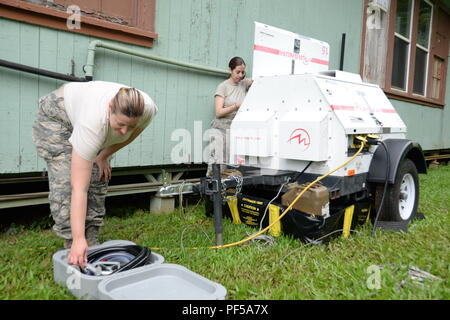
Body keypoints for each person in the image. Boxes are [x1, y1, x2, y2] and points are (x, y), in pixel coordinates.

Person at [32, 81, 158, 268]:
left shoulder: (147, 110)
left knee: (98, 175)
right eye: (121, 124)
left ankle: (90, 243)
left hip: (85, 115)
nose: (124, 131)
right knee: (68, 182)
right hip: (57, 115)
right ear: (109, 109)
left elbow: (131, 135)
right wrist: (77, 238)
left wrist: (103, 155)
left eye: (129, 126)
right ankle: (73, 246)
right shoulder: (92, 123)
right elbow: (79, 189)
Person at [209, 57, 253, 173]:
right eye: (237, 72)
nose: (240, 75)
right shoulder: (223, 87)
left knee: (231, 165)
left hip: (236, 129)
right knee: (218, 164)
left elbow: (257, 82)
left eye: (243, 72)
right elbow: (218, 112)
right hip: (221, 128)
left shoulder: (243, 84)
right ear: (230, 70)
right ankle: (211, 189)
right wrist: (236, 106)